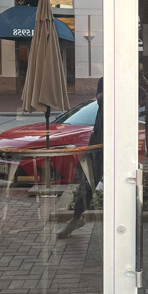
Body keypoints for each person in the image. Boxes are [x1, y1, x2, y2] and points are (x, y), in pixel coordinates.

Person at [57, 78, 103, 238]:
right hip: (98, 145)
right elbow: (100, 99)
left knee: (123, 185)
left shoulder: (131, 83)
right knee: (86, 184)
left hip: (120, 148)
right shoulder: (106, 81)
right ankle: (76, 219)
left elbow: (147, 101)